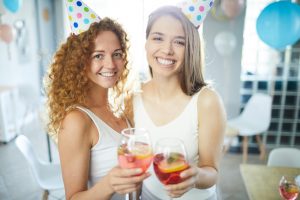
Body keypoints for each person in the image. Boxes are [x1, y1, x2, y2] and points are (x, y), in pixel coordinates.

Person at [44, 2, 149, 199]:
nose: (110, 64)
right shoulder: (76, 120)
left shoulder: (118, 106)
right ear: (80, 61)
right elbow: (73, 197)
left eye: (116, 54)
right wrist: (109, 184)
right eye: (98, 55)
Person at [133, 6, 226, 200]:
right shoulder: (134, 96)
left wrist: (196, 177)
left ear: (191, 48)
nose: (167, 50)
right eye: (158, 38)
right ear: (146, 44)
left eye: (179, 42)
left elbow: (212, 172)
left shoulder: (207, 101)